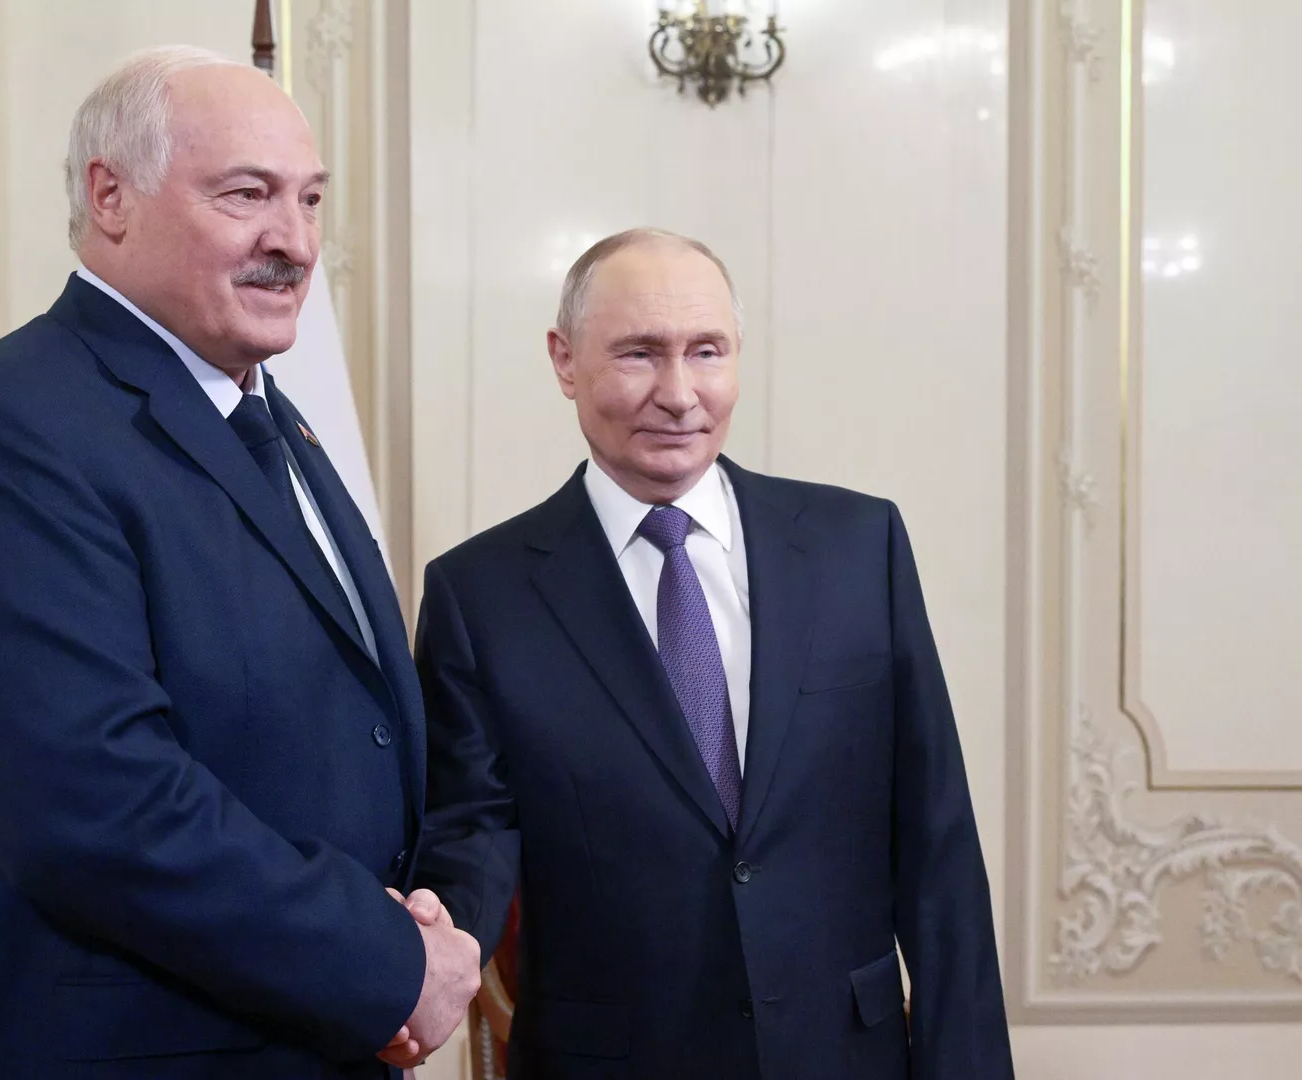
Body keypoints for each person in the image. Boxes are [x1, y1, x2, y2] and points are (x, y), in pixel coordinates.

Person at [0, 46, 478, 1079]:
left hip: (295, 1029)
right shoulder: (0, 429)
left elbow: (348, 730)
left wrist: (408, 935)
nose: (295, 241)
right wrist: (384, 960)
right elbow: (98, 807)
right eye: (246, 194)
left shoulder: (273, 422)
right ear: (110, 197)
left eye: (309, 199)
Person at [409, 228, 1013, 1078]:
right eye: (639, 354)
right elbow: (473, 829)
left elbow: (937, 842)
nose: (679, 394)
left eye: (706, 351)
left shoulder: (858, 546)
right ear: (564, 360)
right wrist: (432, 946)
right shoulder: (481, 595)